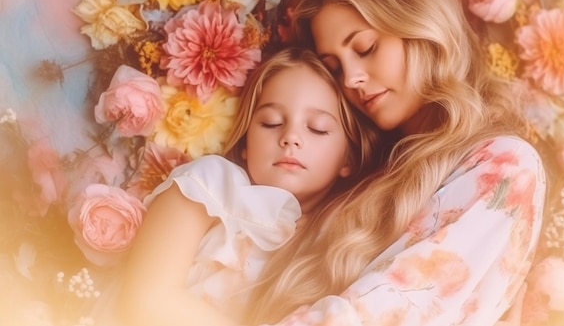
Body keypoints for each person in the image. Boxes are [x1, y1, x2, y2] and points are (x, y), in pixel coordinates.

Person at [121, 0, 546, 326]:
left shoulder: (504, 164)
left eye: (365, 48)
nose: (354, 80)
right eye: (337, 66)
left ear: (421, 23)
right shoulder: (351, 176)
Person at [117, 47, 381, 325]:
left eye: (316, 128)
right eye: (271, 123)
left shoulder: (338, 248)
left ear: (348, 158)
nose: (290, 137)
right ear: (246, 143)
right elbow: (147, 299)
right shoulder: (209, 185)